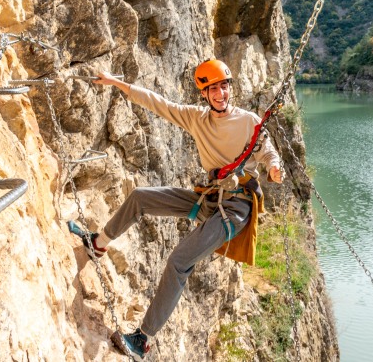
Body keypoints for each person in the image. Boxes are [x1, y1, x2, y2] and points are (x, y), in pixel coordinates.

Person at [66, 59, 284, 361]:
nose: (220, 93)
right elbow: (159, 104)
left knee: (179, 261)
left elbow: (267, 150)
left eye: (224, 86)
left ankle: (143, 340)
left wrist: (274, 168)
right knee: (140, 197)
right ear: (204, 94)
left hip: (235, 208)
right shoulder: (196, 118)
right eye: (213, 89)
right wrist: (118, 84)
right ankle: (98, 244)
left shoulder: (248, 121)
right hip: (210, 198)